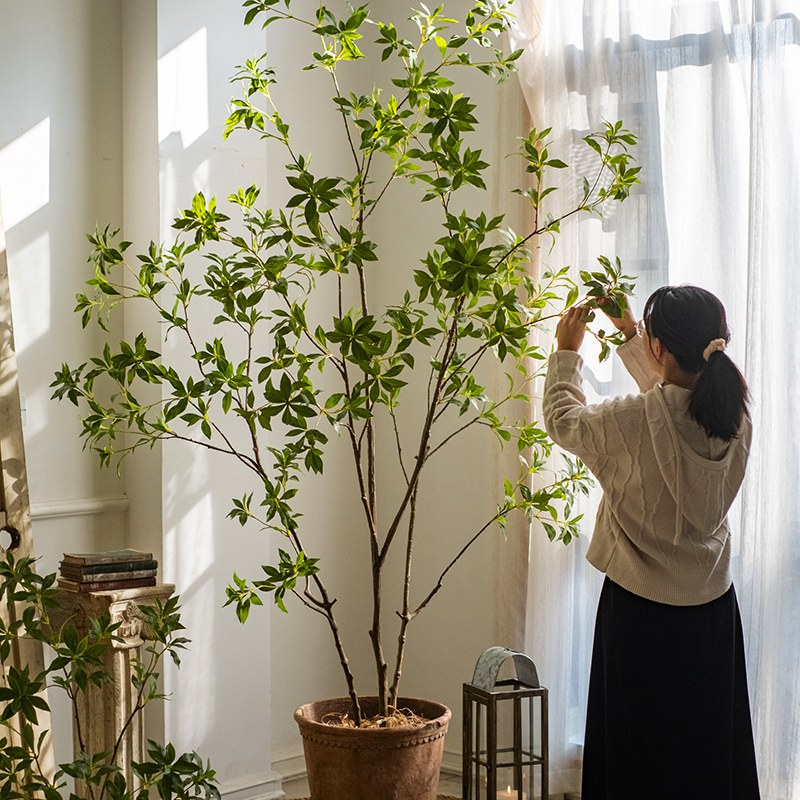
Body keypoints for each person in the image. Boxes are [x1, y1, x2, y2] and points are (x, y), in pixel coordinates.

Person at [542, 285, 760, 800]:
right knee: (703, 749)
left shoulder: (627, 421)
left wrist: (567, 354)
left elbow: (562, 421)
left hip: (638, 614)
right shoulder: (734, 416)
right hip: (712, 612)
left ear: (661, 348)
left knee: (636, 756)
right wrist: (634, 336)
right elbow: (671, 411)